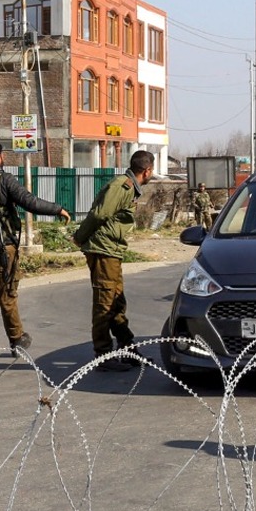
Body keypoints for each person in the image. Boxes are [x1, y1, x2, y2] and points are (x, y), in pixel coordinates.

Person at [0, 140, 71, 367]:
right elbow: (30, 202)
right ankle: (16, 340)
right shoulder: (4, 180)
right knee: (7, 293)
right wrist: (58, 209)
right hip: (2, 248)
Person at [73, 150, 156, 371]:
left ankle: (127, 349)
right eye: (152, 171)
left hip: (112, 250)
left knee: (117, 302)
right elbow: (100, 214)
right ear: (147, 170)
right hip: (103, 250)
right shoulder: (123, 186)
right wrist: (80, 237)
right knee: (105, 303)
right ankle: (103, 355)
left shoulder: (129, 187)